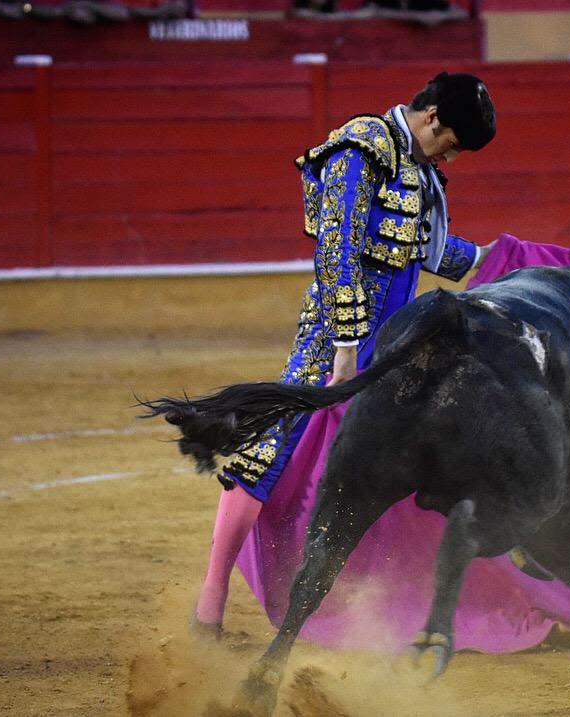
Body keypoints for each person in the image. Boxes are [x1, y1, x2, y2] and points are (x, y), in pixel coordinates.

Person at [192, 72, 497, 635]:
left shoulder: (417, 168)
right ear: (432, 117)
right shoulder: (362, 147)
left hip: (400, 342)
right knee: (272, 451)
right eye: (452, 143)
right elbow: (338, 252)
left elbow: (421, 250)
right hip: (335, 339)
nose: (451, 158)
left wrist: (495, 257)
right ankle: (210, 599)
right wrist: (345, 346)